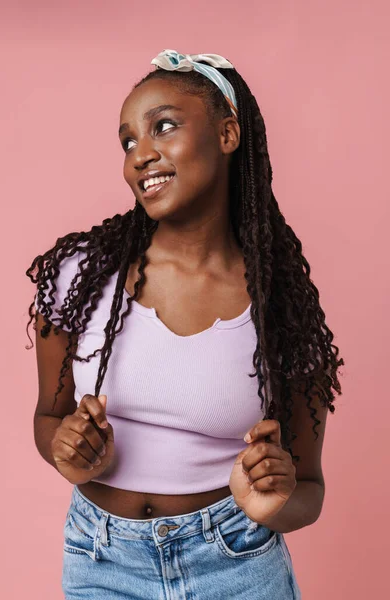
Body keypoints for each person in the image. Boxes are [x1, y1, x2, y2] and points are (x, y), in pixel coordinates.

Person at [26, 49, 344, 599]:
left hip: (236, 562)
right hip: (102, 560)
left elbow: (307, 491)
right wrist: (68, 450)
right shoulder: (82, 276)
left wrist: (273, 500)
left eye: (163, 127)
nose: (140, 156)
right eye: (128, 142)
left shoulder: (281, 306)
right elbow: (48, 418)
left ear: (227, 134)